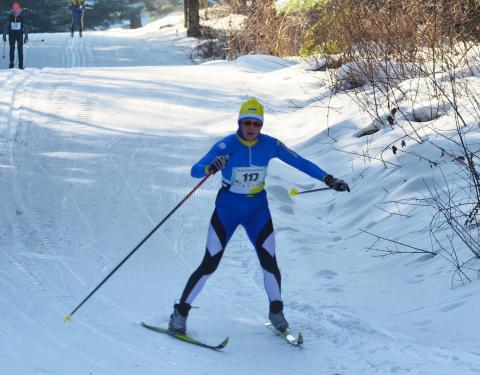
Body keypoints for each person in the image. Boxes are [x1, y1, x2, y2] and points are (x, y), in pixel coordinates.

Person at [168, 98, 350, 334]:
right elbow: (195, 170)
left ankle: (276, 312)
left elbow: (300, 162)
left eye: (256, 124)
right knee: (210, 263)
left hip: (257, 210)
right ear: (240, 123)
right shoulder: (225, 146)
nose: (252, 128)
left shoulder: (270, 145)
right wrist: (210, 166)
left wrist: (328, 179)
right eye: (247, 123)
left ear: (261, 126)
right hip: (228, 210)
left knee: (269, 261)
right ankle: (179, 313)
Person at [3, 2, 28, 70]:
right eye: (14, 9)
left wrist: (26, 36)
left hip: (19, 35)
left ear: (19, 10)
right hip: (12, 35)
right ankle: (11, 64)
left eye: (17, 9)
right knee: (12, 49)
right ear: (12, 9)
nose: (16, 11)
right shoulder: (10, 17)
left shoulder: (21, 17)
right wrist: (4, 35)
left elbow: (25, 27)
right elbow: (6, 26)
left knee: (20, 49)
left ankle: (21, 65)